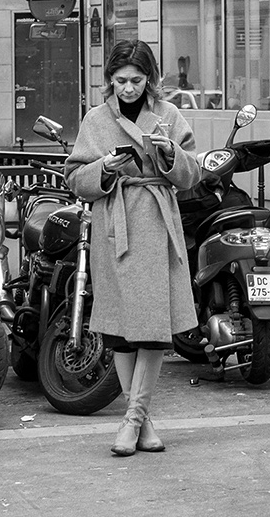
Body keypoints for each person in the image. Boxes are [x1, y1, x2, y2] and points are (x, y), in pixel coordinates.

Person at [64, 40, 199, 456]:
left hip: (157, 225)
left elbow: (193, 175)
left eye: (136, 81)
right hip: (116, 226)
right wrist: (103, 168)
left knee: (154, 331)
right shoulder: (96, 120)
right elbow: (74, 176)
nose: (128, 88)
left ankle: (132, 420)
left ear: (151, 80)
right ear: (109, 80)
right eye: (120, 81)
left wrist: (170, 154)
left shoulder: (169, 116)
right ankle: (141, 421)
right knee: (122, 331)